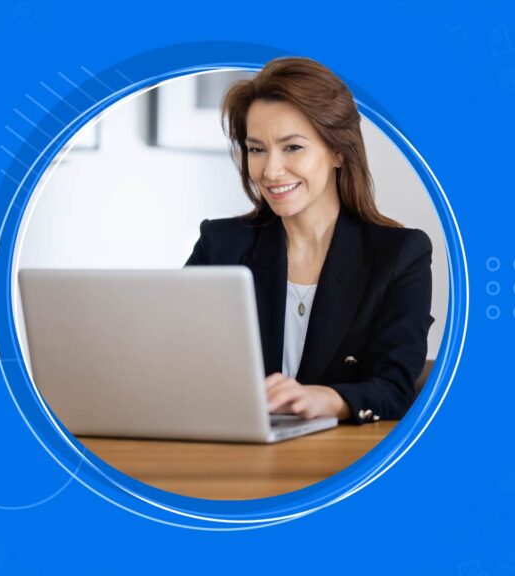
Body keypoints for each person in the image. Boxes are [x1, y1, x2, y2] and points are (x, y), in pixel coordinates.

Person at [185, 57, 434, 424]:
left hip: (341, 459)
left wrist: (327, 399)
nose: (270, 171)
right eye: (257, 149)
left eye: (292, 147)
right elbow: (173, 360)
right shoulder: (220, 244)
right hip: (232, 449)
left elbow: (394, 388)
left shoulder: (400, 254)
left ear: (337, 151)